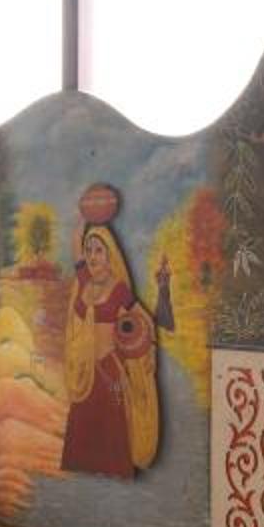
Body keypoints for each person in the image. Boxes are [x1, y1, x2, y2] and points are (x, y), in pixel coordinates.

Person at [61, 186, 160, 477]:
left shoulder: (118, 290)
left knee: (112, 444)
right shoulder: (84, 282)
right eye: (90, 250)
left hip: (108, 374)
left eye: (99, 250)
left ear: (109, 255)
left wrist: (147, 347)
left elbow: (142, 319)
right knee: (82, 446)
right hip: (84, 373)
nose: (92, 256)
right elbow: (75, 244)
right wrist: (85, 213)